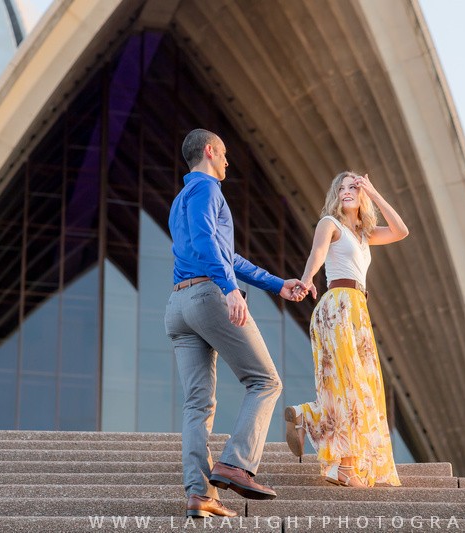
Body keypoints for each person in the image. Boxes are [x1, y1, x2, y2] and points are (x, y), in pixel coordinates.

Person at [164, 128, 308, 518]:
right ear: (209, 152)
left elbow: (227, 254)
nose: (228, 161)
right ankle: (236, 463)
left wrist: (277, 285)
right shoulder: (208, 190)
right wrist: (229, 290)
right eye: (224, 154)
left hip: (178, 304)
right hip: (208, 296)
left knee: (197, 405)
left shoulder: (181, 199)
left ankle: (200, 494)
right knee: (265, 381)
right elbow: (211, 245)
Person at [285, 171, 408, 487]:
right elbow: (318, 253)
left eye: (353, 187)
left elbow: (401, 231)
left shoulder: (365, 234)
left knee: (357, 386)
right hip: (338, 305)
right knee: (350, 384)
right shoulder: (330, 223)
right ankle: (343, 461)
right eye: (342, 188)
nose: (347, 192)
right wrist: (308, 278)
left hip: (358, 312)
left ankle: (324, 438)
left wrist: (375, 191)